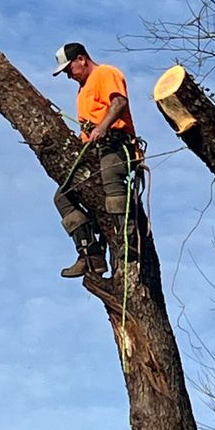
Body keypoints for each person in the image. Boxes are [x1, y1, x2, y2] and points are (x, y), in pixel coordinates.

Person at [52, 42, 140, 279]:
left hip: (116, 143)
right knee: (63, 195)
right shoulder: (82, 92)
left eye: (69, 69)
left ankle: (128, 240)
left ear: (81, 59)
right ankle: (90, 256)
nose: (69, 75)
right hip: (95, 149)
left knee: (111, 177)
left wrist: (102, 127)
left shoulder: (105, 73)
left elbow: (119, 102)